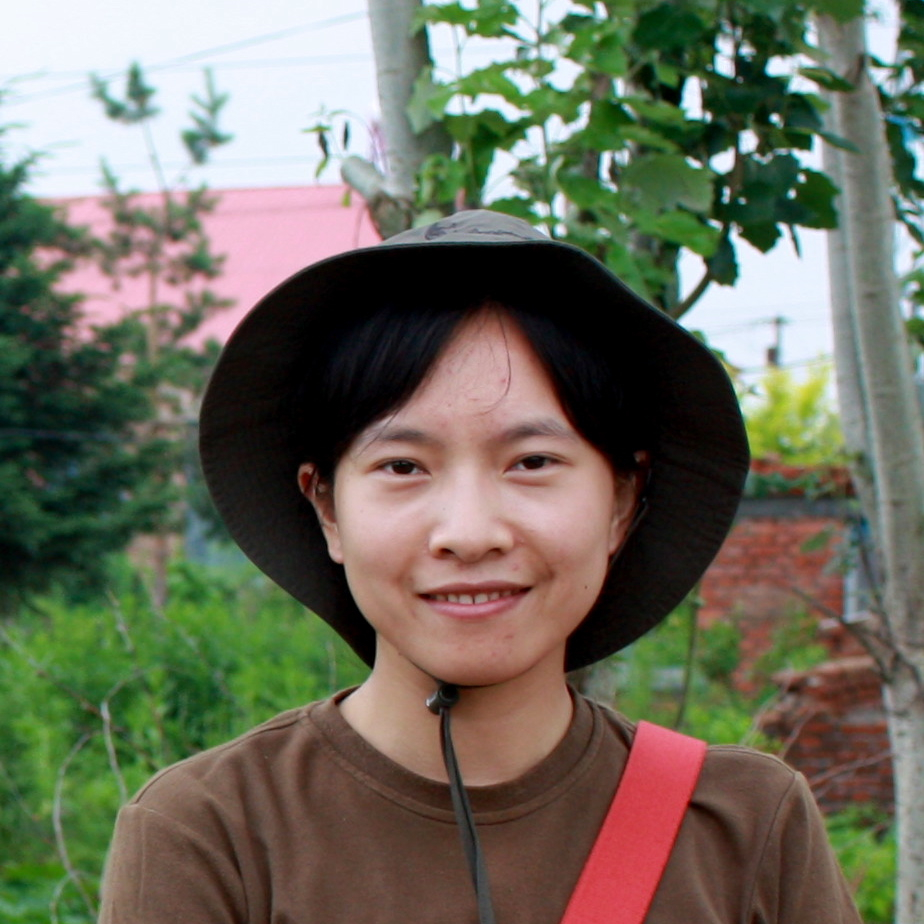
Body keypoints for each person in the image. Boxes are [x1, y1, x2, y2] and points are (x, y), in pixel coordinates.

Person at [99, 210, 861, 924]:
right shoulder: (211, 832)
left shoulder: (747, 825)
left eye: (531, 462)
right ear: (326, 507)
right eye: (403, 466)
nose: (468, 533)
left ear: (622, 504)